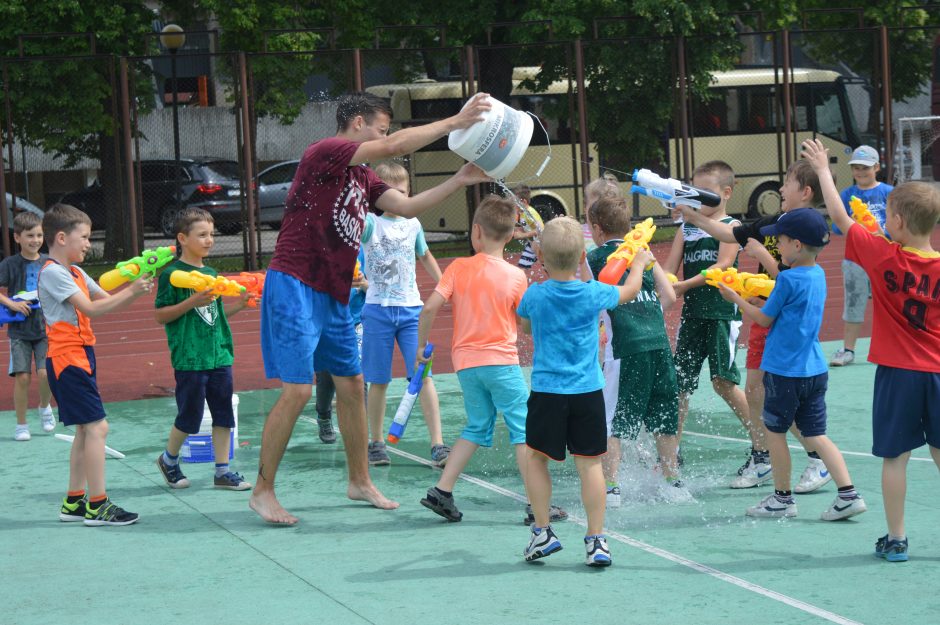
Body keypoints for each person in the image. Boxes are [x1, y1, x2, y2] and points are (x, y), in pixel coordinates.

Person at [252, 91, 491, 524]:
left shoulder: (363, 178)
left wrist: (459, 180)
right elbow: (396, 147)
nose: (387, 136)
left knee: (351, 386)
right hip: (295, 282)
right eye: (382, 127)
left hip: (334, 291)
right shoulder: (325, 152)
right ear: (358, 123)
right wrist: (455, 121)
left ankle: (359, 480)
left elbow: (407, 206)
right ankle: (263, 490)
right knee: (299, 390)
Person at [805, 137, 940, 562]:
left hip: (899, 372)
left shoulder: (882, 255)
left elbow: (843, 218)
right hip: (937, 371)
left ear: (896, 221)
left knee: (895, 458)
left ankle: (896, 538)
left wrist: (825, 171)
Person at [672, 159, 832, 495]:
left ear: (803, 192)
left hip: (774, 319)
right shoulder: (774, 221)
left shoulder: (807, 229)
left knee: (769, 395)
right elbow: (732, 234)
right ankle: (762, 455)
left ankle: (813, 458)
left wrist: (760, 257)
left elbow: (785, 276)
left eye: (785, 184)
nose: (778, 189)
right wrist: (694, 217)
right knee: (754, 391)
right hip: (763, 313)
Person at [715, 206, 867, 521]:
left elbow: (764, 319)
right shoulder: (818, 274)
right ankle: (848, 493)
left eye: (780, 242)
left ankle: (782, 499)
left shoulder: (786, 279)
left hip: (785, 371)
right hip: (814, 368)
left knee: (775, 432)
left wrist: (738, 299)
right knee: (816, 434)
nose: (777, 247)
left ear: (797, 245)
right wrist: (762, 301)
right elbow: (790, 310)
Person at [519, 216, 653, 567]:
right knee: (591, 465)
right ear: (583, 256)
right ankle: (597, 540)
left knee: (536, 458)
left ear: (541, 256)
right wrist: (637, 263)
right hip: (587, 390)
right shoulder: (594, 293)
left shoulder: (535, 294)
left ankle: (542, 531)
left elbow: (526, 326)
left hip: (548, 391)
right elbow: (630, 291)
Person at [38, 203, 151, 525]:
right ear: (61, 238)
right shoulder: (54, 273)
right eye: (84, 237)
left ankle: (74, 502)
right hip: (67, 359)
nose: (89, 243)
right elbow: (91, 309)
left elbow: (105, 300)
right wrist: (131, 290)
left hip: (79, 356)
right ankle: (98, 505)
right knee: (97, 428)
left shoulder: (74, 272)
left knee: (84, 432)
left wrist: (136, 283)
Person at [663, 161, 763, 487]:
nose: (699, 199)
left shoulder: (731, 227)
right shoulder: (686, 229)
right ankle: (671, 455)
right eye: (695, 192)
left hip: (721, 315)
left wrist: (682, 286)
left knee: (724, 382)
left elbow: (720, 267)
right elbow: (668, 270)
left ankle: (762, 449)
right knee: (679, 386)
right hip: (692, 316)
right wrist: (656, 280)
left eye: (706, 193)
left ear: (726, 192)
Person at [587, 197, 682, 507]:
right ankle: (672, 481)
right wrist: (646, 311)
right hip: (658, 343)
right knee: (663, 415)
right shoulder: (644, 252)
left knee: (612, 419)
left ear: (597, 229)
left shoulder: (594, 257)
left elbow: (590, 299)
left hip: (625, 347)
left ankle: (611, 487)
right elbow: (668, 296)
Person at [154, 208, 252, 491]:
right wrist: (190, 302)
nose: (209, 240)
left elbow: (215, 315)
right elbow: (161, 315)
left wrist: (240, 305)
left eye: (211, 235)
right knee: (190, 416)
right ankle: (168, 459)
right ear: (182, 238)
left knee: (223, 415)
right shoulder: (171, 275)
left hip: (219, 354)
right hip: (190, 358)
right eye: (202, 235)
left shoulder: (210, 273)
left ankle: (222, 471)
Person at [360, 161, 449, 466]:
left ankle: (438, 443)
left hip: (412, 311)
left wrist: (445, 286)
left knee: (422, 376)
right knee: (378, 380)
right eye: (391, 191)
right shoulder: (370, 223)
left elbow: (425, 255)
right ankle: (375, 441)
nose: (399, 197)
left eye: (404, 191)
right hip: (377, 311)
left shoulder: (413, 225)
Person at [829, 145, 893, 367]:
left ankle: (892, 347)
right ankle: (848, 349)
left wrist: (881, 231)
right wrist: (853, 224)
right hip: (855, 260)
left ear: (876, 167)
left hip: (886, 259)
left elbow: (898, 223)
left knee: (890, 305)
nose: (860, 172)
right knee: (853, 304)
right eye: (856, 167)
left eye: (865, 168)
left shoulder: (888, 193)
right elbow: (837, 227)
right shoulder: (847, 195)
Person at [0, 211, 54, 441]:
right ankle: (21, 424)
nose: (35, 240)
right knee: (22, 377)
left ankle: (44, 407)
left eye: (39, 235)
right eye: (30, 235)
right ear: (18, 238)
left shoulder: (49, 262)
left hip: (45, 329)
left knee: (45, 373)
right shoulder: (9, 264)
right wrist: (12, 303)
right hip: (20, 331)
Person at [314, 247, 368, 444]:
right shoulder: (322, 250)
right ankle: (324, 415)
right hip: (326, 321)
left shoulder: (365, 251)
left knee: (359, 375)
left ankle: (360, 426)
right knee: (326, 375)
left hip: (355, 323)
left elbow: (376, 289)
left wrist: (363, 283)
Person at [510, 184, 539, 269]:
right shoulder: (522, 213)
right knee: (522, 266)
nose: (513, 205)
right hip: (533, 245)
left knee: (550, 268)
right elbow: (527, 228)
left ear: (524, 202)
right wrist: (517, 230)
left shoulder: (530, 213)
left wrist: (523, 235)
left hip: (542, 245)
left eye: (514, 202)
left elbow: (540, 230)